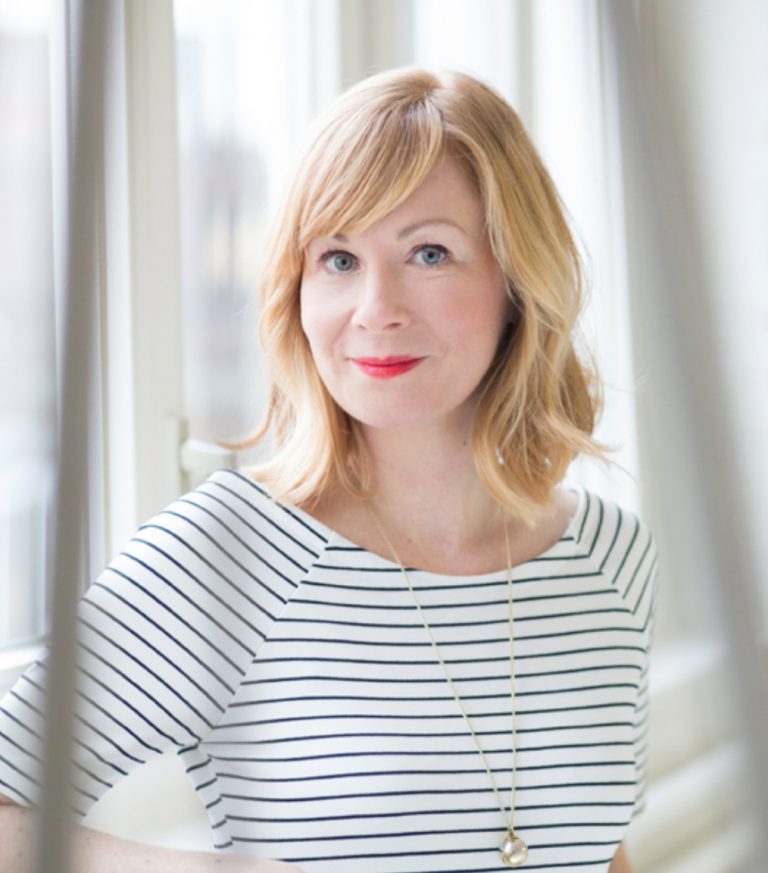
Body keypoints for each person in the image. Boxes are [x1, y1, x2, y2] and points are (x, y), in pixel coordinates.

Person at [0, 67, 657, 873]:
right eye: (339, 259)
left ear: (518, 280)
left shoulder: (614, 559)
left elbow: (602, 848)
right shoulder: (230, 552)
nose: (376, 308)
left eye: (428, 252)